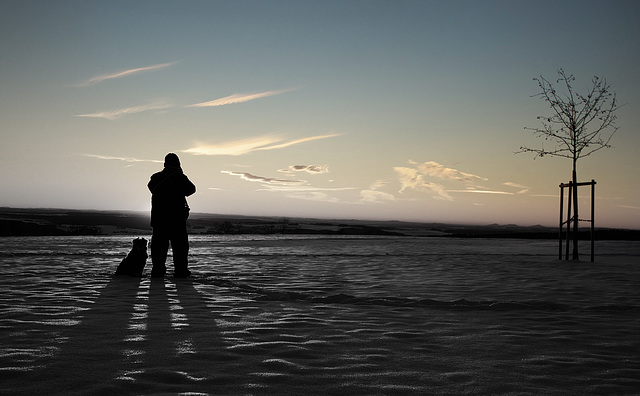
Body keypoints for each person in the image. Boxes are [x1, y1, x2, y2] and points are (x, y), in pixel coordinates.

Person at [148, 153, 196, 278]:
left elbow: (151, 187)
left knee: (159, 248)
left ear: (164, 164)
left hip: (159, 220)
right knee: (180, 248)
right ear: (178, 164)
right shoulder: (179, 177)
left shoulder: (156, 177)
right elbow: (191, 189)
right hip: (177, 220)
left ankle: (158, 271)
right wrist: (180, 174)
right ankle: (181, 271)